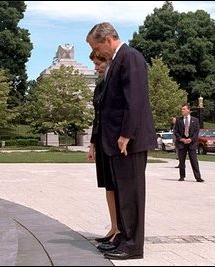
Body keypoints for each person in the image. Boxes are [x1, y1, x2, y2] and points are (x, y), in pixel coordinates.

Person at [86, 22, 157, 260]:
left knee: (132, 195)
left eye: (98, 47)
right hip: (118, 142)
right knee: (123, 194)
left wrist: (126, 134)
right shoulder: (118, 60)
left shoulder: (130, 57)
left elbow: (134, 100)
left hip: (130, 142)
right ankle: (123, 239)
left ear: (107, 39)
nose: (99, 54)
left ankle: (133, 246)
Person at [87, 51, 120, 244]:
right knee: (108, 186)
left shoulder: (113, 84)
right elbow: (97, 117)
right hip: (101, 140)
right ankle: (113, 226)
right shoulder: (99, 86)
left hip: (114, 141)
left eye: (99, 63)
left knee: (116, 186)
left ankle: (120, 229)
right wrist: (92, 143)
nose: (96, 67)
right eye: (95, 64)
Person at [173, 103, 204, 182]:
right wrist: (182, 139)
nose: (182, 110)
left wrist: (191, 139)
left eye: (184, 109)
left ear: (188, 110)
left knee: (194, 161)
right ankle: (182, 176)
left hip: (191, 144)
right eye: (182, 109)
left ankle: (198, 177)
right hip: (181, 144)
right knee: (182, 161)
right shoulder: (178, 120)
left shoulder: (195, 120)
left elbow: (196, 132)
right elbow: (176, 132)